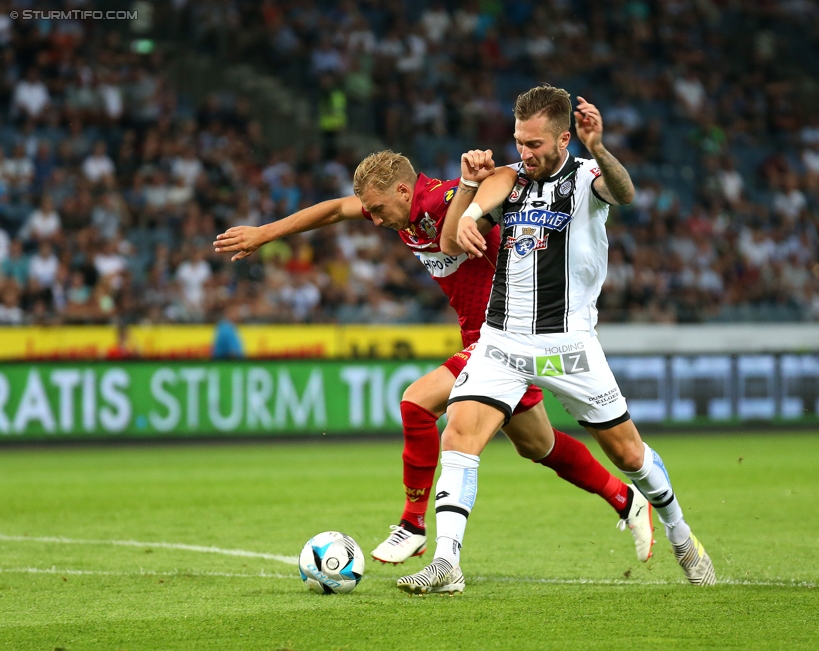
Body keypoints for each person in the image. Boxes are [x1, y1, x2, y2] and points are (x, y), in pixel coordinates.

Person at [213, 148, 654, 590]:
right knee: (537, 446)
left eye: (380, 210)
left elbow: (497, 195)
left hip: (505, 334)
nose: (377, 221)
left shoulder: (447, 202)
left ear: (404, 190)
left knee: (416, 403)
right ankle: (625, 497)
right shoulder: (398, 211)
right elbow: (333, 211)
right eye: (371, 212)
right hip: (482, 338)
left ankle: (413, 525)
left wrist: (483, 183)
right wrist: (264, 233)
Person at [397, 85, 715, 595]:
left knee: (630, 456)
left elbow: (626, 193)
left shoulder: (589, 178)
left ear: (565, 138)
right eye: (520, 142)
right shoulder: (507, 179)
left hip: (570, 344)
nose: (525, 153)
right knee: (459, 433)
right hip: (503, 341)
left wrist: (601, 148)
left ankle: (680, 532)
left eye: (536, 145)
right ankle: (446, 562)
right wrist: (467, 195)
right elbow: (455, 237)